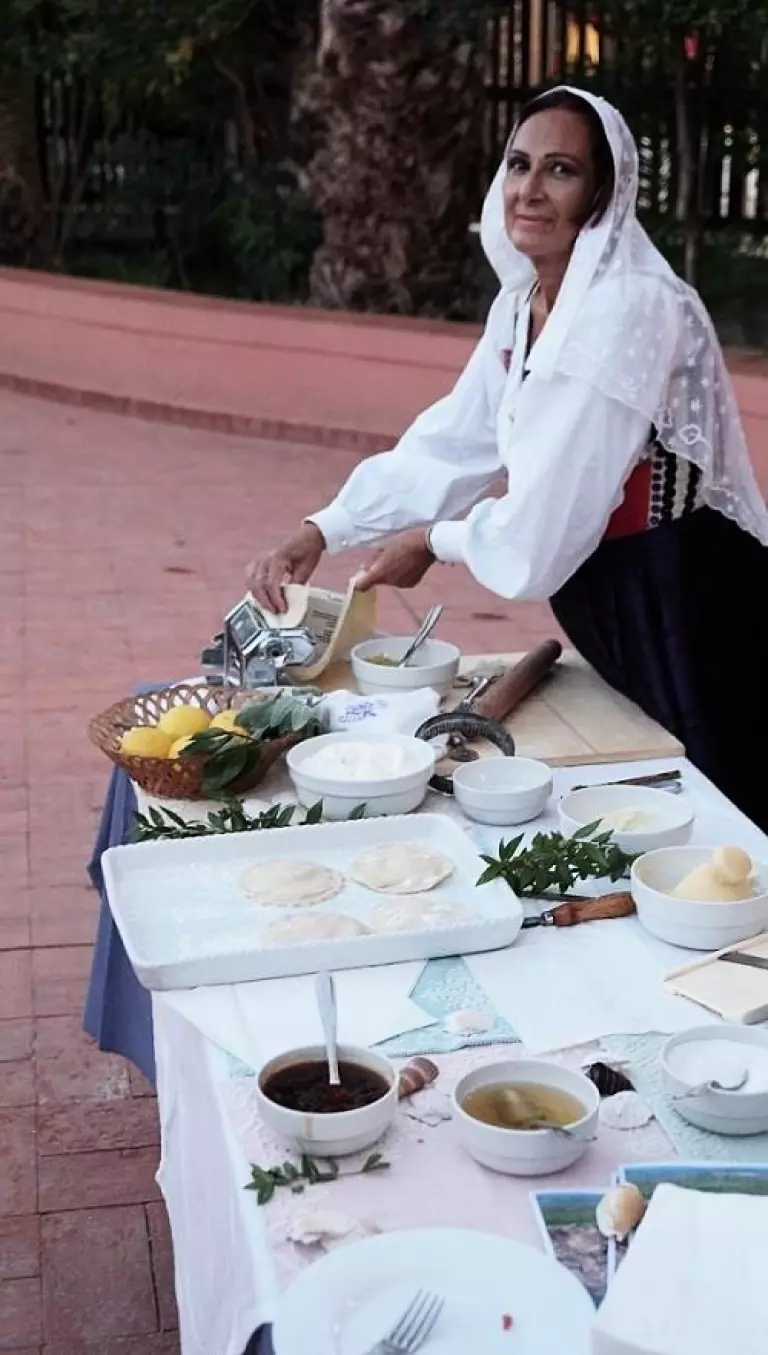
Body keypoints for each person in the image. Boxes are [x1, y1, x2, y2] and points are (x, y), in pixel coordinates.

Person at [248, 87, 768, 828]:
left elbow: (542, 531)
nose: (529, 189)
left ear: (602, 195)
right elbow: (455, 438)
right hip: (608, 590)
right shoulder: (523, 306)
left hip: (681, 594)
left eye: (561, 170)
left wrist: (435, 540)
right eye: (519, 164)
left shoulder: (631, 307)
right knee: (645, 801)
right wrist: (323, 528)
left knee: (715, 807)